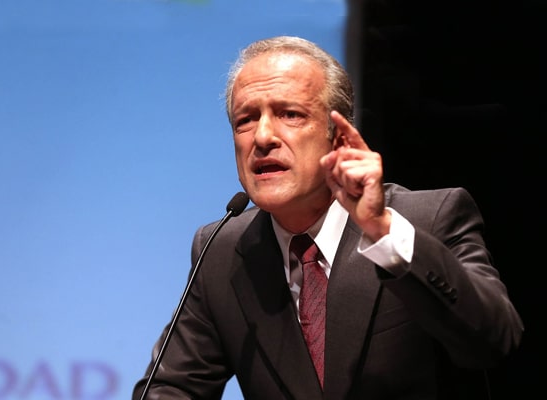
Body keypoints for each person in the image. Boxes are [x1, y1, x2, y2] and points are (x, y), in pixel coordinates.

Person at [132, 36, 523, 399]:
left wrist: (382, 231)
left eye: (290, 114)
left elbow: (494, 341)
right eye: (245, 120)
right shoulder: (222, 250)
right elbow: (171, 388)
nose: (262, 137)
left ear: (339, 135)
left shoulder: (428, 219)